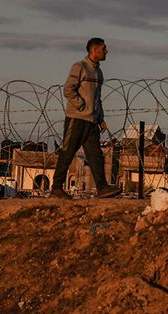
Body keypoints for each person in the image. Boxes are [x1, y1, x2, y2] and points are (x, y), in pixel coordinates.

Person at [49, 38, 120, 199]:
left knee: (95, 155)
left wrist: (100, 117)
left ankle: (102, 188)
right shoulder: (80, 67)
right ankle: (56, 188)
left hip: (91, 121)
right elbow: (68, 89)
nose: (106, 51)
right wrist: (80, 105)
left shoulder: (98, 72)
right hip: (76, 119)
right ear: (94, 50)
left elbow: (97, 97)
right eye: (104, 48)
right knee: (67, 153)